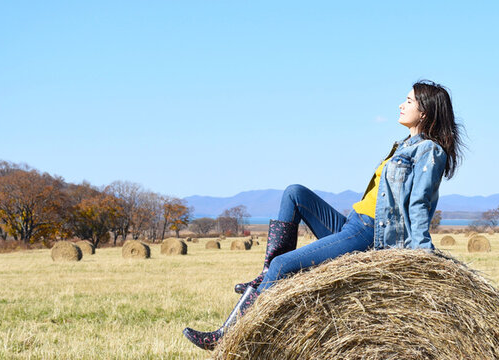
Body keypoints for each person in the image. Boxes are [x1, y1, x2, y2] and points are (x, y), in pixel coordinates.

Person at [183, 80, 465, 350]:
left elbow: (419, 204)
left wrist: (425, 259)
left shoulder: (429, 151)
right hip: (352, 223)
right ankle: (265, 276)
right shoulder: (403, 145)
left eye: (408, 100)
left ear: (424, 111)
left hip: (368, 234)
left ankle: (230, 337)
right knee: (294, 193)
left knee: (284, 265)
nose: (401, 105)